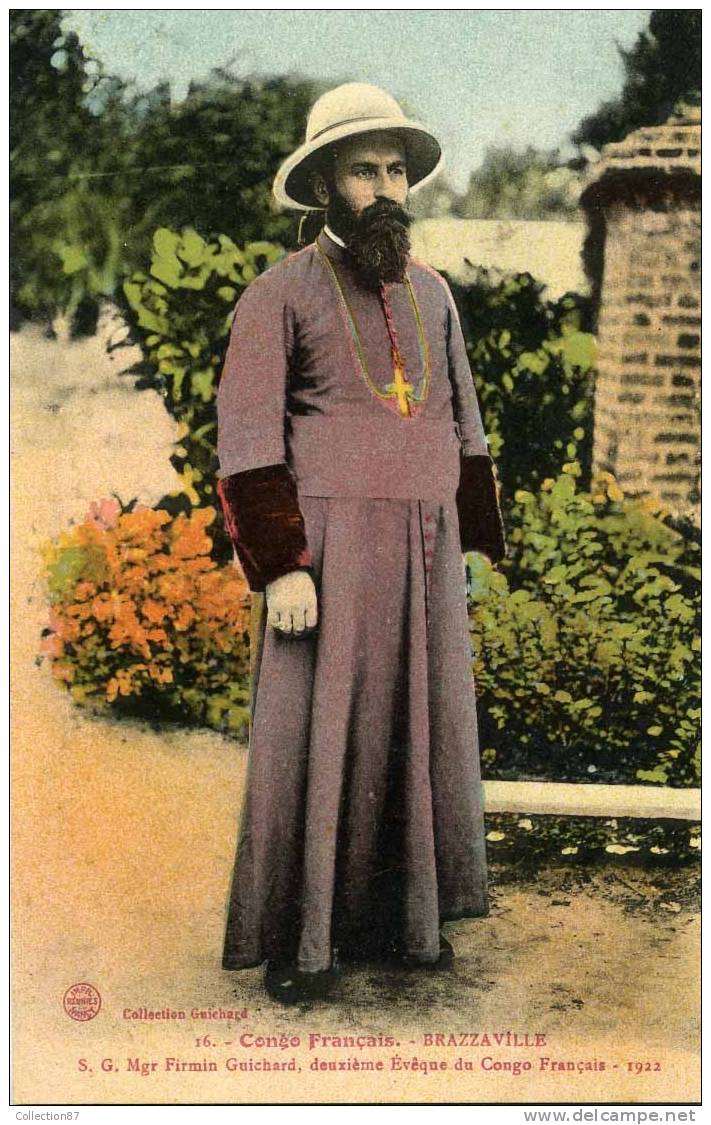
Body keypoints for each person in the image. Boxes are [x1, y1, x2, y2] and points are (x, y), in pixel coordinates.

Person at [215, 82, 507, 1004]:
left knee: (413, 731)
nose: (383, 186)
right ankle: (301, 943)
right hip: (327, 554)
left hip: (424, 548)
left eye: (394, 169)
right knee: (313, 737)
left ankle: (406, 924)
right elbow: (249, 433)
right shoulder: (278, 294)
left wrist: (469, 545)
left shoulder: (434, 294)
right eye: (361, 169)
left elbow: (463, 422)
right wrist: (280, 566)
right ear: (323, 184)